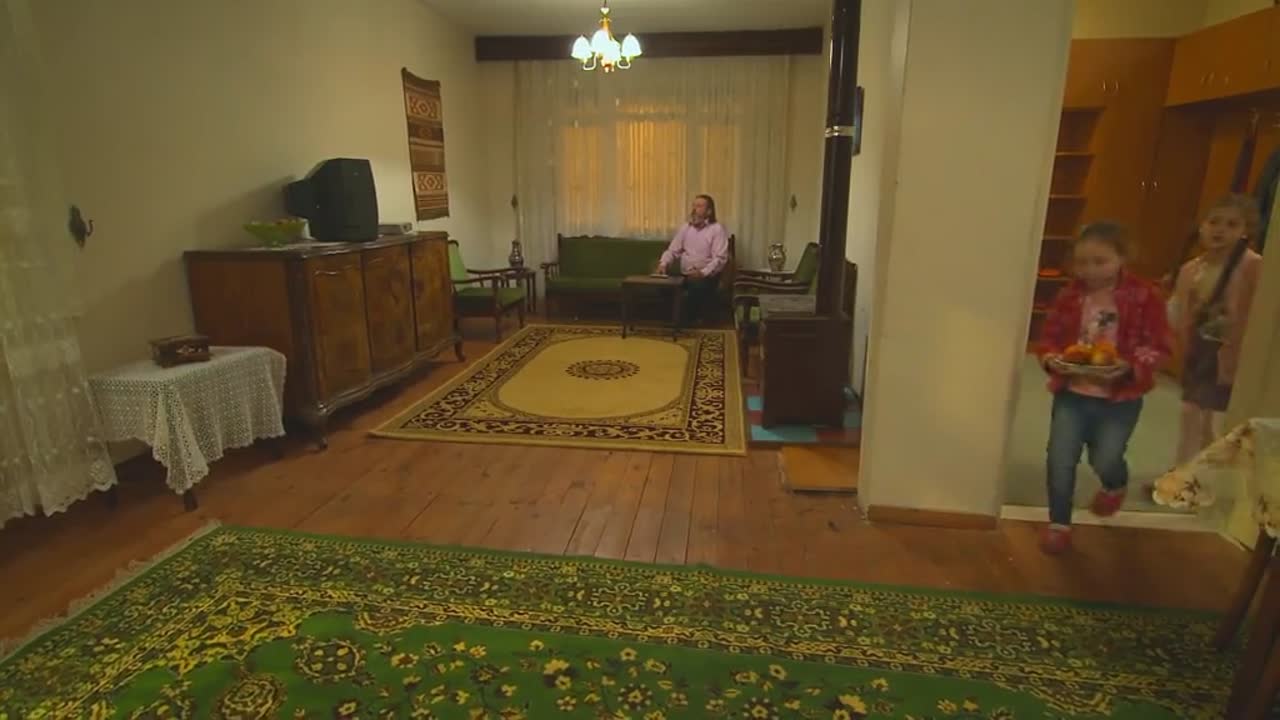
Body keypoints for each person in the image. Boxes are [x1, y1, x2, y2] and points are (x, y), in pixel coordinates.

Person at [1036, 221, 1171, 555]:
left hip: (1120, 398)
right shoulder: (1070, 296)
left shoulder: (1144, 296)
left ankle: (1115, 483)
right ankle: (1059, 524)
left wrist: (1130, 365)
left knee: (1106, 456)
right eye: (1082, 262)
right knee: (1060, 457)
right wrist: (1052, 357)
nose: (1090, 270)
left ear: (1122, 258)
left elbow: (1161, 345)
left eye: (1100, 261)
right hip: (1072, 394)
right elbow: (1049, 338)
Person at [1167, 194, 1263, 464]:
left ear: (1246, 231)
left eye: (1232, 224)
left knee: (1218, 421)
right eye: (1214, 222)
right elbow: (1177, 308)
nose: (1220, 230)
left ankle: (1211, 473)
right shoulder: (1191, 268)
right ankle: (1184, 471)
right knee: (1190, 413)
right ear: (1202, 226)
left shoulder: (1253, 266)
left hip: (1232, 354)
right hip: (1199, 350)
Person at [656, 194, 730, 326]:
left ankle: (689, 322)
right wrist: (663, 263)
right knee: (663, 285)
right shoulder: (686, 227)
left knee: (696, 287)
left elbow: (720, 258)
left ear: (709, 211)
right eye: (694, 206)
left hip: (707, 276)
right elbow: (672, 250)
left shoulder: (717, 229)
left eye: (699, 206)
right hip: (685, 275)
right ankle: (674, 320)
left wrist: (702, 273)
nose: (695, 209)